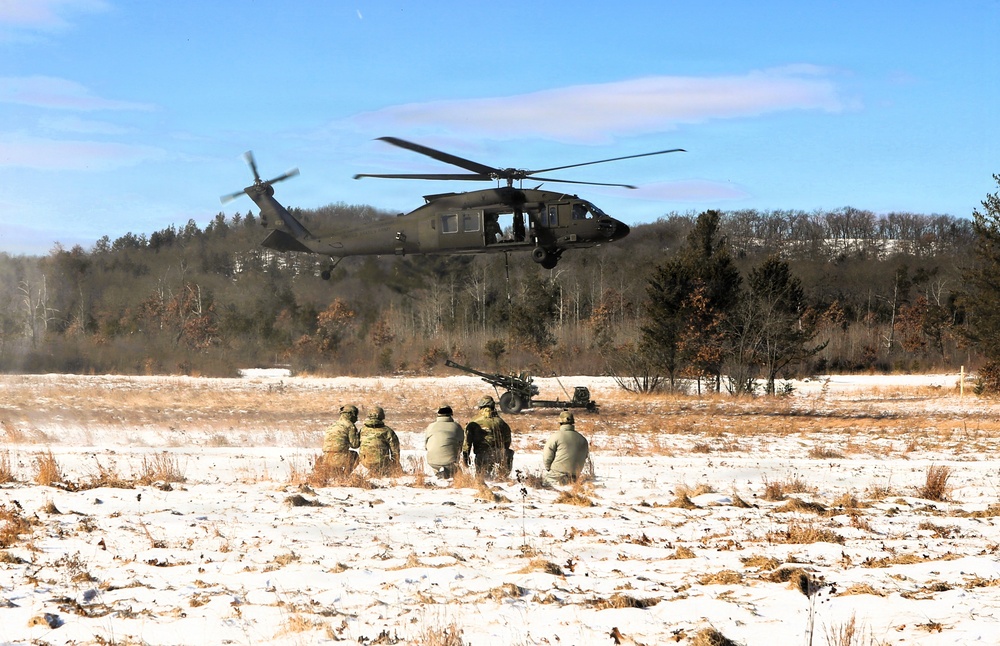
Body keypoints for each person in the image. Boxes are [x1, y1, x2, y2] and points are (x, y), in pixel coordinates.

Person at [462, 395, 513, 479]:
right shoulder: (501, 422)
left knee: (483, 479)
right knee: (501, 479)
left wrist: (465, 456)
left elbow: (467, 442)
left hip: (482, 456)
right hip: (500, 455)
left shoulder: (474, 421)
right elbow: (507, 440)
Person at [542, 410, 589, 485]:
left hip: (556, 476)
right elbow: (585, 456)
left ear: (560, 422)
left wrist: (549, 468)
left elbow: (547, 456)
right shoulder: (582, 439)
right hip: (575, 477)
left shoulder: (556, 436)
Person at [358, 406, 401, 476]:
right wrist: (396, 463)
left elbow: (357, 444)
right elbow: (395, 449)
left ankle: (374, 473)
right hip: (382, 462)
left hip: (365, 462)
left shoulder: (362, 430)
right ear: (382, 416)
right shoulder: (387, 431)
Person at [424, 404, 464, 479]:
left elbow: (426, 446)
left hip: (432, 461)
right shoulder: (456, 426)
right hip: (451, 461)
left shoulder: (430, 426)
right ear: (451, 414)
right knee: (458, 474)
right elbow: (462, 443)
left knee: (438, 469)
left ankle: (440, 474)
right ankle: (446, 474)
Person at [321, 403, 360, 474]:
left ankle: (337, 474)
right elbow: (355, 445)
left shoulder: (333, 425)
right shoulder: (350, 425)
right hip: (340, 457)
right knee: (355, 456)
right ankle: (346, 475)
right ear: (351, 414)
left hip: (326, 457)